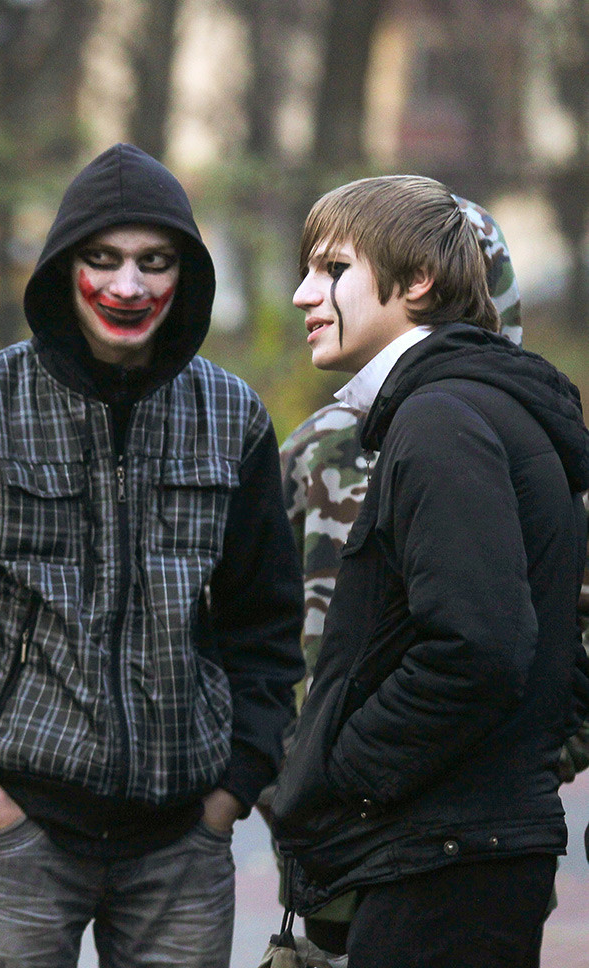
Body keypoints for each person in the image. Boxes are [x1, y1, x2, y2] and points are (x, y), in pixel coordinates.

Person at [0, 142, 304, 968]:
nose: (127, 287)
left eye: (155, 262)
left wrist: (231, 790)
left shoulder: (233, 416)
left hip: (184, 842)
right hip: (20, 836)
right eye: (102, 260)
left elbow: (267, 625)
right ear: (64, 269)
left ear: (185, 278)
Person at [272, 175, 589, 968]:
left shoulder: (441, 418)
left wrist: (346, 771)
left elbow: (478, 649)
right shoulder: (467, 407)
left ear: (418, 283)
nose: (306, 295)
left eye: (333, 269)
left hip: (442, 856)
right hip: (453, 848)